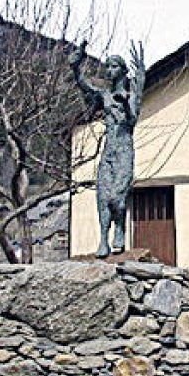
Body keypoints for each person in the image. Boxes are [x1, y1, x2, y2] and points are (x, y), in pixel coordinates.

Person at [70, 40, 145, 257]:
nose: (109, 71)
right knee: (103, 196)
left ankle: (119, 230)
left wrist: (125, 105)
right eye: (108, 67)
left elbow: (131, 121)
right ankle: (104, 240)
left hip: (123, 152)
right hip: (108, 152)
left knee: (118, 199)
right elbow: (85, 86)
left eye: (113, 67)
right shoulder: (104, 96)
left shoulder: (130, 96)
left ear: (122, 71)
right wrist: (76, 68)